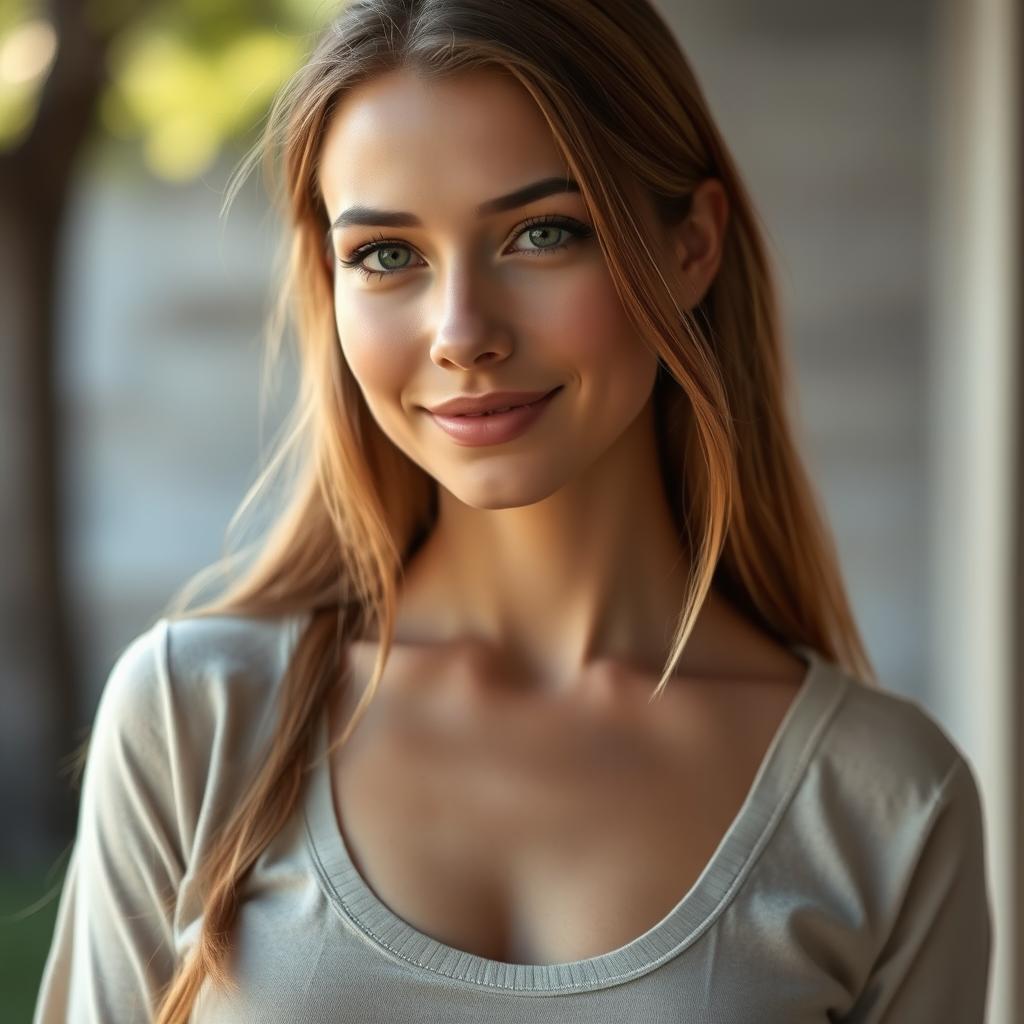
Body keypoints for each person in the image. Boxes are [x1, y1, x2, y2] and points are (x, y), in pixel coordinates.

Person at [33, 1, 993, 1021]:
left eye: (542, 233)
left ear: (692, 244)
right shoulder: (198, 722)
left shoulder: (884, 803)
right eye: (387, 255)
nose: (461, 334)